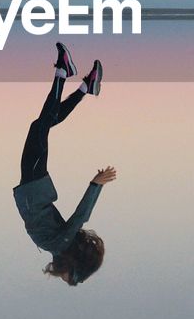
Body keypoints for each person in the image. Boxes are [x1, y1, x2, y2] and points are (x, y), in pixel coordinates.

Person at [12, 42, 116, 286]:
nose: (66, 280)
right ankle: (62, 70)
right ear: (74, 265)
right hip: (34, 185)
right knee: (40, 127)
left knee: (40, 126)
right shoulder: (61, 244)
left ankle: (84, 87)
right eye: (72, 279)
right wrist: (95, 185)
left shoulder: (54, 246)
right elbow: (80, 217)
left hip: (31, 186)